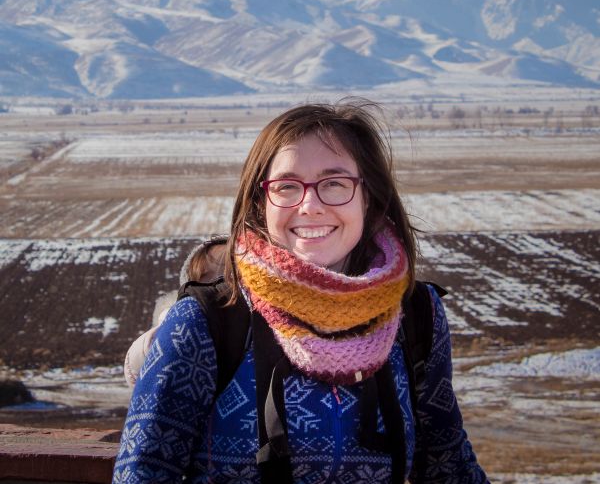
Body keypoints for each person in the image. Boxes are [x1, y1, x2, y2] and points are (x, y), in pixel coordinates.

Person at [113, 101, 489, 483]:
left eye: (335, 183)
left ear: (368, 196)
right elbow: (141, 474)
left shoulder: (415, 315)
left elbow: (448, 465)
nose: (310, 206)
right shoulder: (205, 323)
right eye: (287, 186)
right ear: (260, 203)